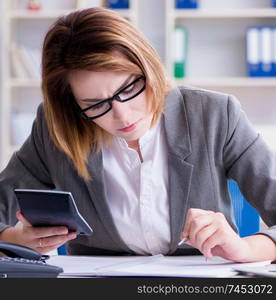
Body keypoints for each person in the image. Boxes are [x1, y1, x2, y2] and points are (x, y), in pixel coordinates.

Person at [0, 7, 275, 262]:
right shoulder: (55, 126)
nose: (122, 115)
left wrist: (245, 248)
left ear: (148, 67)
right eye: (95, 105)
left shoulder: (215, 114)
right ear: (71, 104)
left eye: (130, 88)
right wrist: (10, 239)